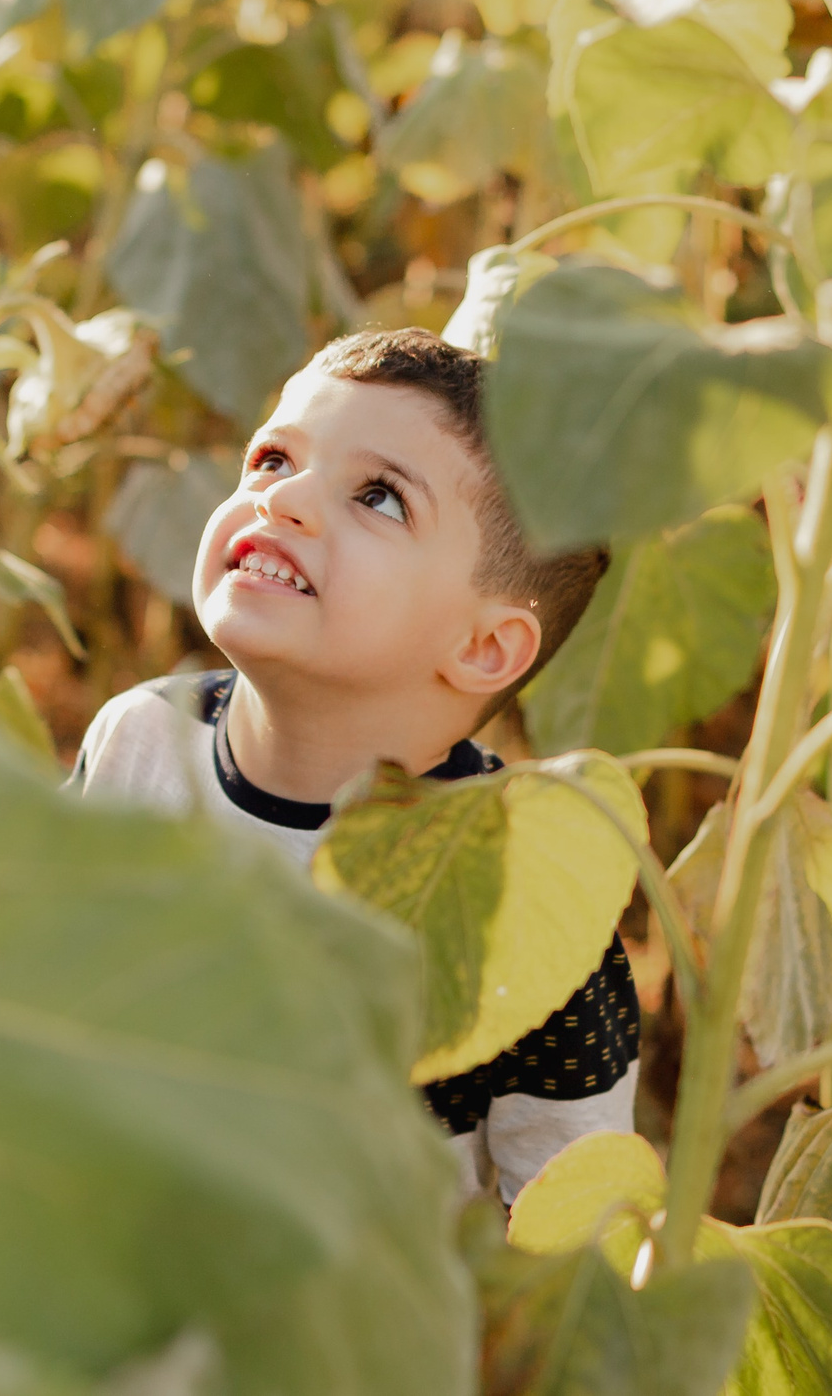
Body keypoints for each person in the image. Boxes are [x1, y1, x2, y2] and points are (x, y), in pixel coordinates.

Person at [69, 329, 639, 1204]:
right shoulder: (140, 740)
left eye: (378, 497)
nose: (284, 498)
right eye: (272, 458)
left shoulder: (521, 896)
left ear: (484, 647)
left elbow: (569, 1223)